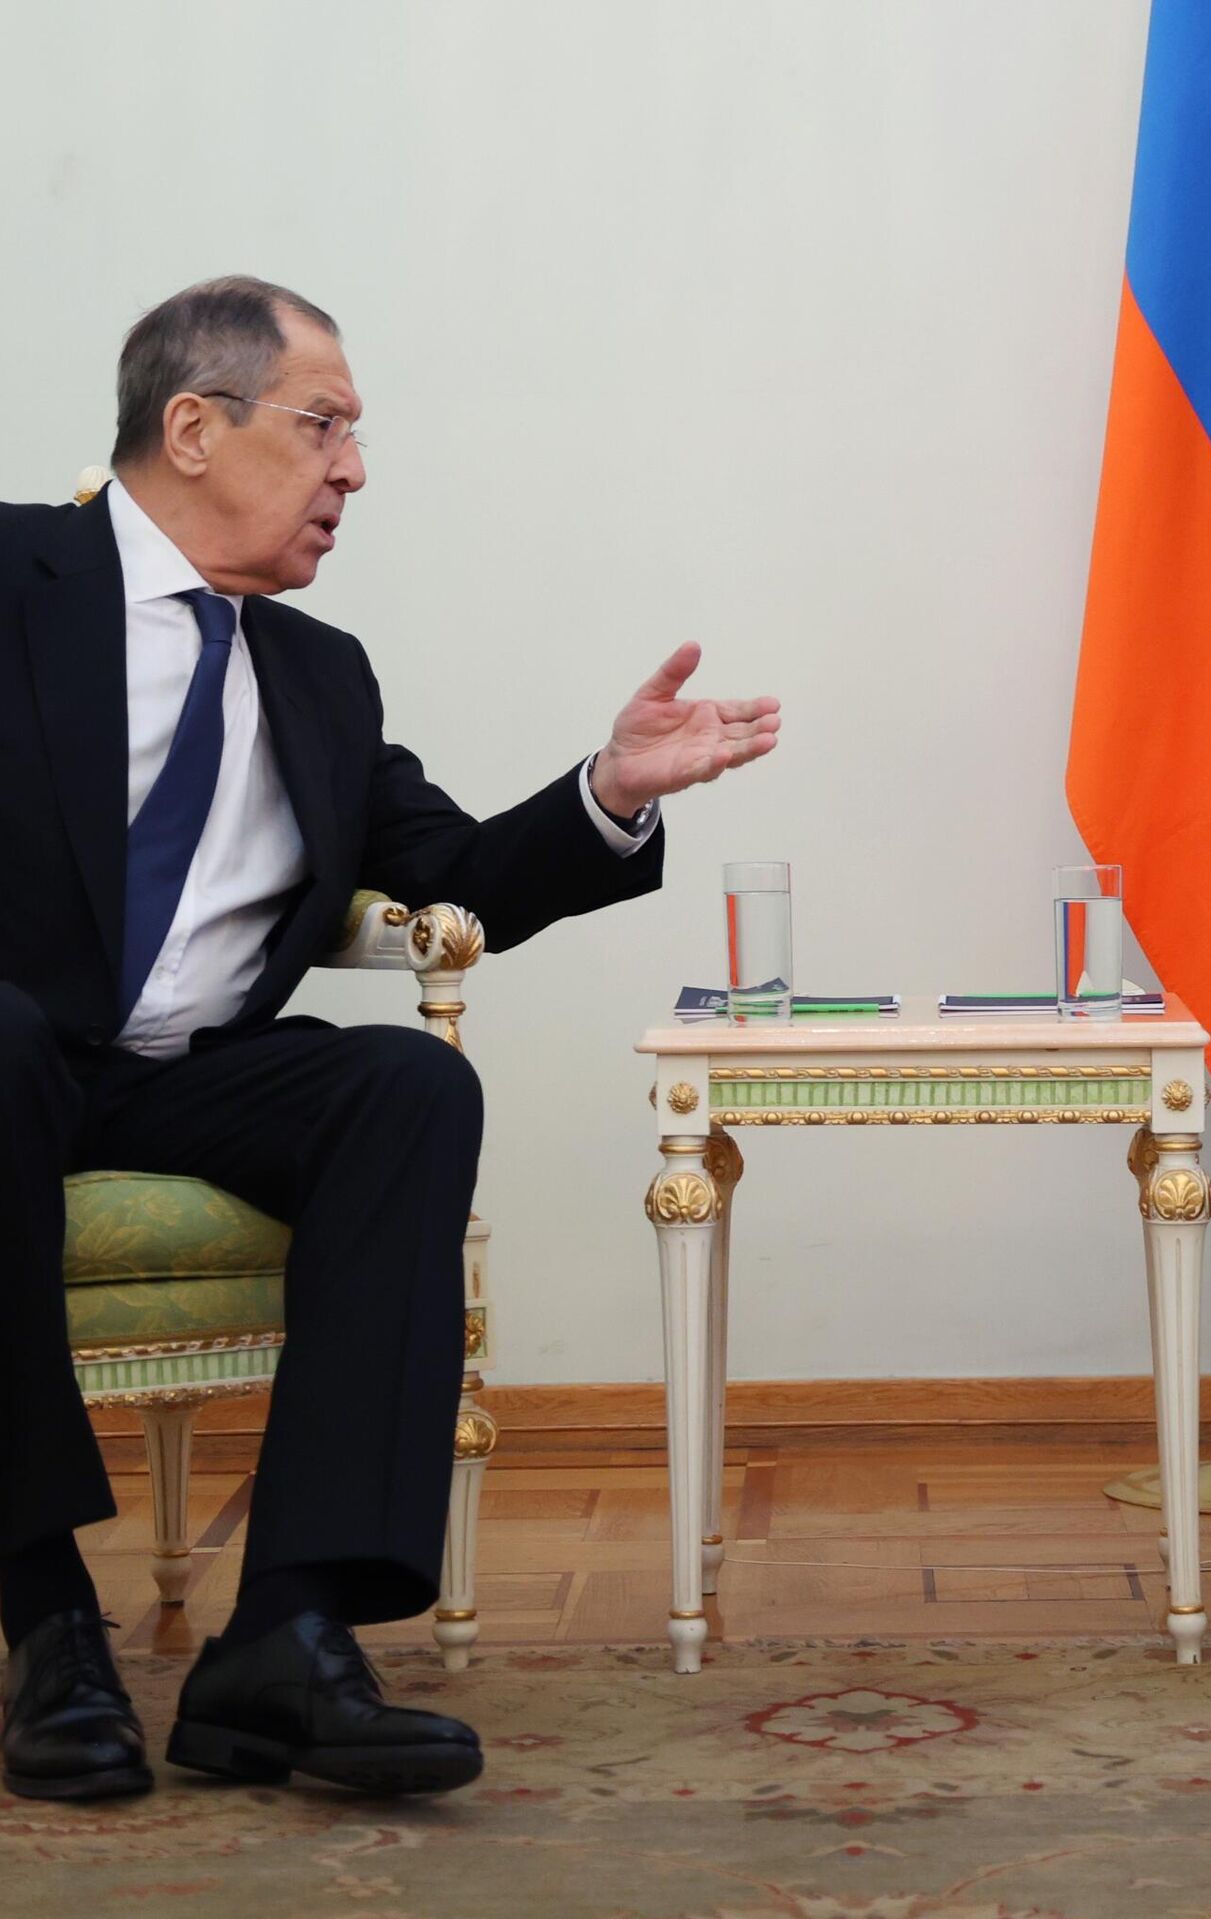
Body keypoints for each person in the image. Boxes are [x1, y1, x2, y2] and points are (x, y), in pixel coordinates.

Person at [0, 276, 781, 1800]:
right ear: (192, 429)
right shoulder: (15, 576)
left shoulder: (317, 675)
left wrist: (612, 791)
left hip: (184, 1075)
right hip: (7, 1059)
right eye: (324, 427)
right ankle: (44, 1618)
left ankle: (287, 1634)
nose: (353, 470)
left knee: (404, 1083)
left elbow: (459, 874)